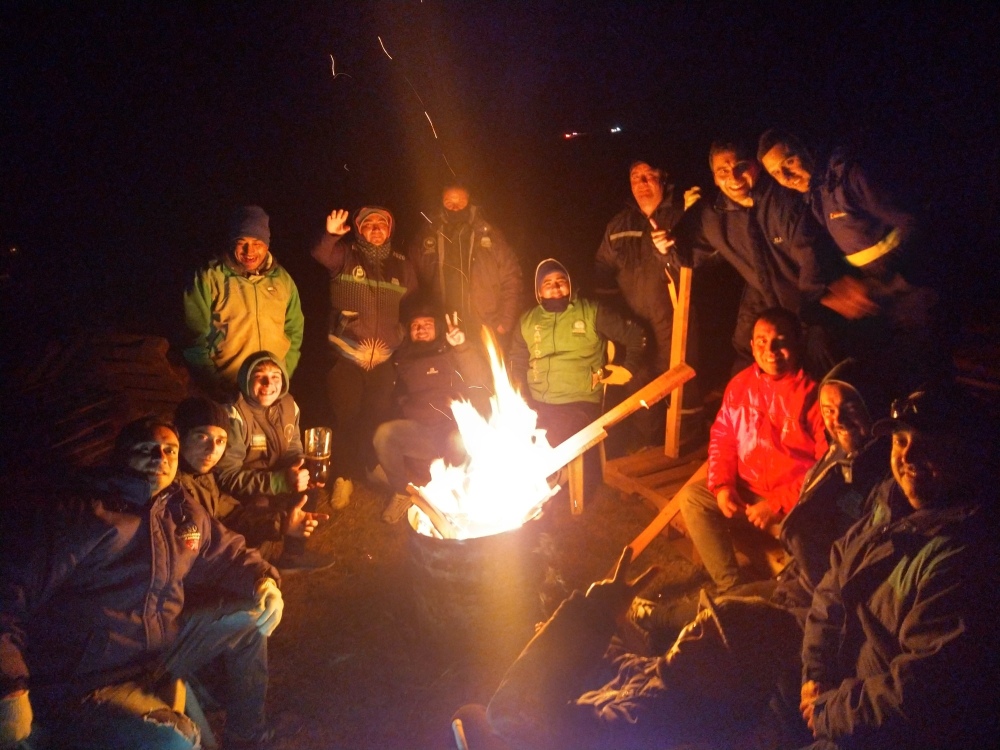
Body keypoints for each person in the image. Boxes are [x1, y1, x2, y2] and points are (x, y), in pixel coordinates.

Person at [0, 417, 283, 750]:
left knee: (252, 619)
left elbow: (228, 554)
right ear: (122, 456)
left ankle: (245, 736)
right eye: (147, 449)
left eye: (169, 450)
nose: (160, 458)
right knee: (173, 741)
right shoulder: (83, 513)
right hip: (89, 678)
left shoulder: (180, 510)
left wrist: (264, 581)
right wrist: (9, 686)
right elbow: (10, 593)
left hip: (161, 652)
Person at [799, 383, 1000, 748]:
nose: (907, 456)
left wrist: (831, 711)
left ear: (967, 455)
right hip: (839, 680)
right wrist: (816, 673)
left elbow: (919, 694)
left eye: (928, 445)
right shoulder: (890, 501)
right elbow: (834, 581)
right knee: (734, 630)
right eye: (900, 440)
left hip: (882, 730)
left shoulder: (963, 556)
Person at [453, 547, 808, 750]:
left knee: (475, 720)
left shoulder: (658, 724)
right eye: (700, 626)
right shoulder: (676, 680)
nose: (691, 640)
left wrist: (588, 619)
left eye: (715, 651)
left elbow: (514, 714)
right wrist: (595, 624)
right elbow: (625, 664)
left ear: (737, 688)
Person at [666, 141, 874, 375]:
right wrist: (664, 244)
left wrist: (812, 308)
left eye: (741, 166)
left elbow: (810, 255)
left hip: (808, 302)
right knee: (746, 360)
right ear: (714, 177)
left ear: (756, 166)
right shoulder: (712, 214)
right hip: (763, 302)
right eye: (723, 172)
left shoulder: (782, 201)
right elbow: (683, 254)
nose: (733, 177)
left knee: (819, 357)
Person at [757, 129, 940, 395]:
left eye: (789, 162)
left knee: (926, 385)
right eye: (775, 173)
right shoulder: (817, 194)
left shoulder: (851, 176)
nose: (785, 176)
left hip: (917, 295)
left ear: (807, 148)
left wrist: (881, 283)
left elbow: (916, 225)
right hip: (884, 306)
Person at [679, 307, 827, 592]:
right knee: (693, 499)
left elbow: (825, 466)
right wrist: (723, 485)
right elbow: (723, 437)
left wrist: (777, 505)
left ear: (797, 344)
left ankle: (795, 596)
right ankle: (731, 587)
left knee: (810, 542)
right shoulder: (741, 385)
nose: (770, 350)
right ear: (752, 345)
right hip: (747, 491)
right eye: (761, 341)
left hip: (795, 502)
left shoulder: (814, 394)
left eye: (780, 341)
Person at [311, 206, 417, 504]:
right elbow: (320, 253)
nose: (375, 229)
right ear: (359, 229)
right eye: (368, 224)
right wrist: (330, 235)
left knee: (376, 418)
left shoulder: (401, 265)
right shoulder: (345, 255)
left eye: (381, 225)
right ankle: (343, 477)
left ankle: (370, 467)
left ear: (389, 230)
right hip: (346, 354)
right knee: (346, 418)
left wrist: (399, 332)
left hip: (384, 359)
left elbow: (409, 299)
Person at [595, 160, 704, 447]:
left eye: (649, 176)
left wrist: (676, 240)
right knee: (641, 382)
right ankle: (648, 445)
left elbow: (707, 257)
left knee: (681, 381)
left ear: (663, 179)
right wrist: (611, 318)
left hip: (676, 316)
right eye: (635, 178)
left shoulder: (683, 213)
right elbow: (602, 268)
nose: (642, 184)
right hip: (636, 323)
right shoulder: (619, 225)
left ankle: (686, 445)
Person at [174, 396, 329, 571]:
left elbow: (232, 515)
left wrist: (282, 523)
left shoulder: (201, 476)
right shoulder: (173, 489)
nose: (212, 449)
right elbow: (210, 544)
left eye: (220, 441)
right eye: (202, 437)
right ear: (179, 436)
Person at [372, 299, 492, 524]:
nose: (421, 329)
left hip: (453, 433)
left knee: (460, 439)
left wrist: (461, 346)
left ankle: (460, 497)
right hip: (421, 433)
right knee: (384, 434)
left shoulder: (452, 351)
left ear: (437, 327)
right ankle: (402, 493)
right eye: (415, 325)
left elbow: (480, 378)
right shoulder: (402, 360)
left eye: (427, 324)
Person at [214, 352, 334, 573]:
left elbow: (293, 443)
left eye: (275, 376)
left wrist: (300, 467)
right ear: (245, 381)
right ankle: (249, 567)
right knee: (259, 506)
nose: (269, 384)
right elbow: (227, 476)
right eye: (260, 376)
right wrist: (279, 482)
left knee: (307, 487)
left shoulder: (289, 405)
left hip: (278, 476)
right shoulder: (233, 414)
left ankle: (292, 556)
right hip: (247, 487)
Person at [510, 259, 647, 451]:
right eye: (547, 284)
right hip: (536, 404)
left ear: (570, 283)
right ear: (539, 291)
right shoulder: (528, 320)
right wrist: (522, 398)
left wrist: (628, 368)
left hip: (579, 405)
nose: (555, 287)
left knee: (551, 439)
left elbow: (635, 335)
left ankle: (565, 480)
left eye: (561, 281)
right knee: (510, 440)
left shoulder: (591, 312)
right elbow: (517, 361)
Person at [183, 205, 304, 397]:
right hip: (226, 388)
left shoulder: (282, 280)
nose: (249, 251)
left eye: (257, 242)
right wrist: (213, 383)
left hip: (268, 388)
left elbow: (294, 330)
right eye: (242, 242)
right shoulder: (209, 277)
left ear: (267, 244)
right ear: (232, 243)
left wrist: (282, 373)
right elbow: (194, 337)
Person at [410, 182, 523, 347]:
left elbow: (511, 278)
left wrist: (505, 321)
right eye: (449, 202)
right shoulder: (427, 236)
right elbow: (412, 281)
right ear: (441, 201)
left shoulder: (488, 235)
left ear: (469, 200)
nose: (455, 207)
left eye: (460, 202)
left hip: (485, 326)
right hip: (442, 327)